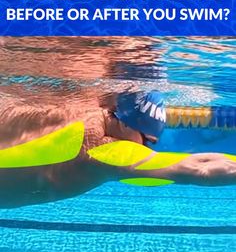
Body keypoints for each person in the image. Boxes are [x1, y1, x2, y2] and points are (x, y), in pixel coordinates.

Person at [0, 89, 235, 208]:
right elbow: (197, 169)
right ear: (125, 123)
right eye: (147, 140)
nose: (145, 146)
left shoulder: (78, 106)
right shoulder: (103, 152)